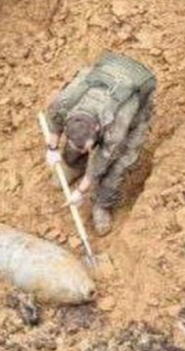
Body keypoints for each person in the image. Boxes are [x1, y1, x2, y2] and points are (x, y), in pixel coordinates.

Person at [44, 52, 156, 236]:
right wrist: (52, 148)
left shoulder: (116, 127)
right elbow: (55, 119)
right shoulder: (66, 103)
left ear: (97, 128)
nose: (87, 151)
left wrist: (80, 192)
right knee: (75, 146)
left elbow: (101, 161)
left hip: (134, 93)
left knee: (119, 165)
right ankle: (73, 166)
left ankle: (102, 203)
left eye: (88, 148)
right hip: (106, 74)